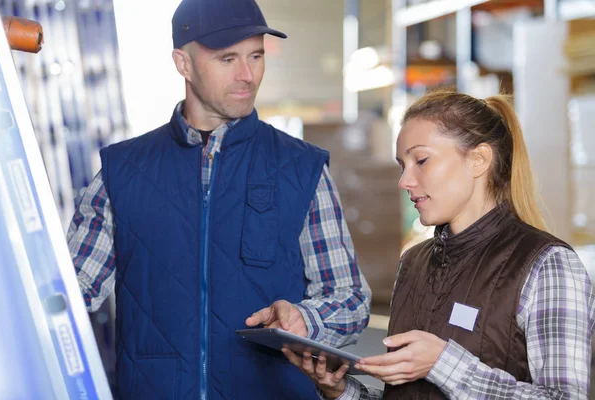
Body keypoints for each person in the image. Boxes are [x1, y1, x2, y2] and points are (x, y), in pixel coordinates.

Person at [66, 0, 371, 398]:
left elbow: (351, 300)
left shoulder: (302, 168)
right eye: (228, 59)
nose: (248, 75)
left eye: (256, 56)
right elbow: (69, 295)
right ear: (183, 63)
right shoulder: (122, 171)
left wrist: (305, 318)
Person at [284, 89, 595, 399]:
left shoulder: (548, 264)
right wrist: (341, 390)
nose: (404, 181)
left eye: (421, 160)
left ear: (478, 159)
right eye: (402, 165)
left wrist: (442, 363)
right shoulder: (413, 264)